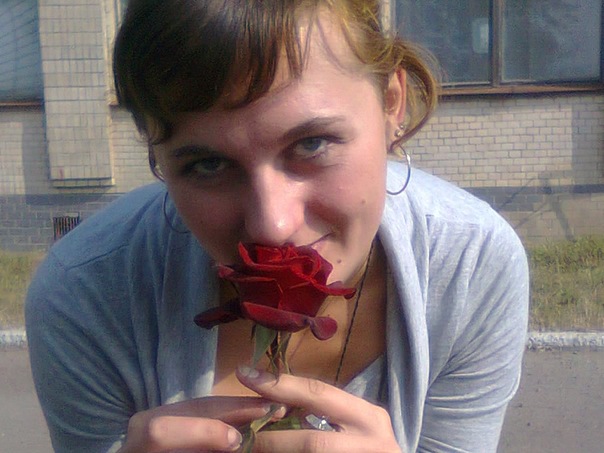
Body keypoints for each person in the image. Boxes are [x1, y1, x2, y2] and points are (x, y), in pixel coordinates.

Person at [25, 0, 529, 452]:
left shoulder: (468, 269)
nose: (273, 225)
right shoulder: (88, 295)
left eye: (312, 144)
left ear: (391, 104)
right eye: (207, 165)